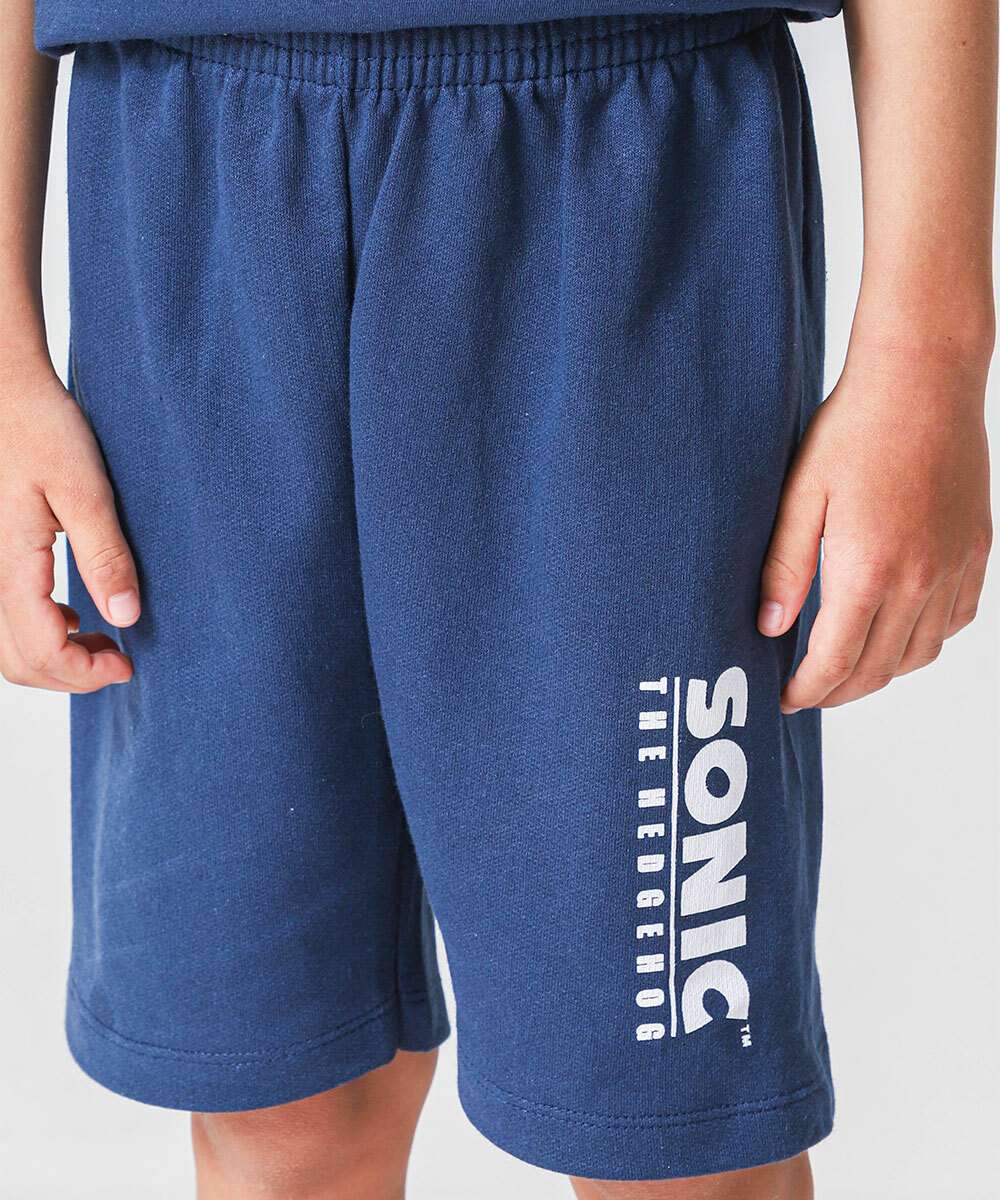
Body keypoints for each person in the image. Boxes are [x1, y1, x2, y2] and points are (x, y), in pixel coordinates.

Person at [0, 0, 994, 1195]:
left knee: (668, 1131)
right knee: (274, 1092)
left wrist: (928, 354)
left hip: (620, 169)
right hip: (190, 180)